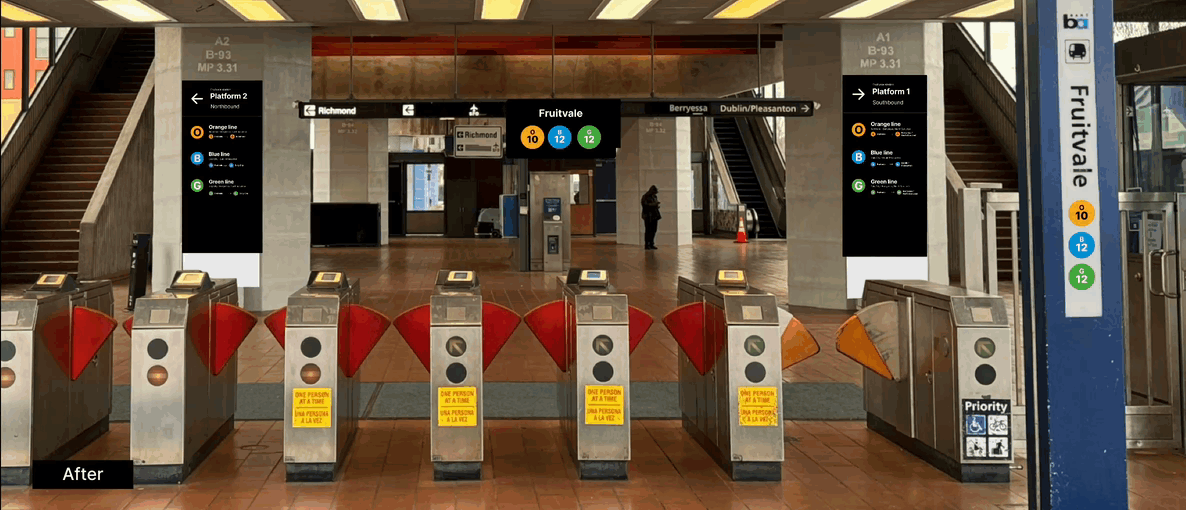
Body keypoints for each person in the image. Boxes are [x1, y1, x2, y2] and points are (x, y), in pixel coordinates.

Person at [641, 185, 661, 250]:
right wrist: (654, 205)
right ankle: (647, 244)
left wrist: (656, 205)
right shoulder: (645, 197)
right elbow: (645, 205)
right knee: (648, 231)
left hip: (654, 215)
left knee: (654, 230)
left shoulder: (654, 196)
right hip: (648, 216)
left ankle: (651, 244)